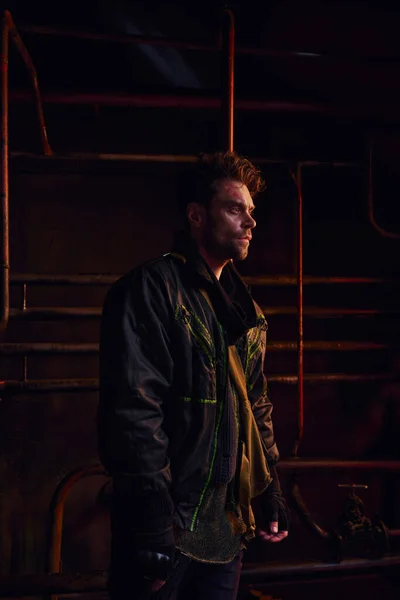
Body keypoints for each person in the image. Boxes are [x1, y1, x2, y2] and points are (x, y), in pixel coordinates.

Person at [98, 151, 289, 600]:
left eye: (252, 212)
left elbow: (255, 403)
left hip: (225, 532)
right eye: (234, 208)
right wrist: (151, 526)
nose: (250, 222)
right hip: (167, 529)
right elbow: (134, 413)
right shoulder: (152, 289)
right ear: (197, 216)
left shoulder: (246, 312)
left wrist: (270, 487)